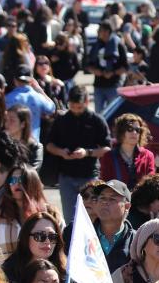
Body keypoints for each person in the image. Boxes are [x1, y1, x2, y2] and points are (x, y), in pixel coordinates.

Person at [46, 86, 111, 221]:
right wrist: (61, 152)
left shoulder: (96, 120)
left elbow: (107, 148)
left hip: (89, 176)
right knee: (70, 219)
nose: (76, 110)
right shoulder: (62, 120)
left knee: (93, 218)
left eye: (79, 107)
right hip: (66, 177)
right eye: (72, 107)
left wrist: (87, 152)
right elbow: (49, 145)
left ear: (86, 102)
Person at [0, 164, 50, 256]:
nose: (17, 184)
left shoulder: (50, 214)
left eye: (22, 180)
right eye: (12, 180)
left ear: (33, 182)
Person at [1, 212, 64, 283]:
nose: (47, 241)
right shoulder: (6, 274)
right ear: (26, 238)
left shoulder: (66, 275)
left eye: (52, 237)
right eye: (40, 236)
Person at [100, 112, 156, 189]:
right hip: (117, 196)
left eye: (137, 130)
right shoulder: (108, 156)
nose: (134, 133)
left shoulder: (148, 155)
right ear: (121, 132)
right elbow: (105, 185)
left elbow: (151, 184)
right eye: (130, 129)